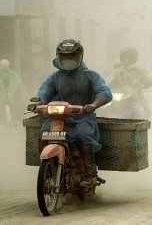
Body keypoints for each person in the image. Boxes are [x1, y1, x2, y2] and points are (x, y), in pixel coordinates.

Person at [32, 39, 112, 188]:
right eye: (64, 57)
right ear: (58, 57)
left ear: (80, 57)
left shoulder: (90, 75)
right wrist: (38, 102)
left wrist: (92, 105)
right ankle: (48, 168)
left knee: (83, 135)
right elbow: (44, 93)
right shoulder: (55, 77)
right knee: (44, 131)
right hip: (59, 117)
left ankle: (90, 175)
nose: (68, 61)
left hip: (83, 117)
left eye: (72, 57)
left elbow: (104, 92)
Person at [106, 46, 152, 119]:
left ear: (134, 58)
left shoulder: (139, 70)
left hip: (136, 98)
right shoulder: (117, 71)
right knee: (105, 108)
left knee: (140, 112)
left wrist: (147, 82)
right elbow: (107, 81)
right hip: (121, 98)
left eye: (129, 57)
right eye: (124, 56)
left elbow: (150, 80)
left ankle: (139, 127)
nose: (126, 59)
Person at [0, 59, 26, 125]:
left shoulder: (13, 75)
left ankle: (5, 121)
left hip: (2, 97)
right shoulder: (14, 74)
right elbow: (20, 85)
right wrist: (23, 96)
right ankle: (13, 120)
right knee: (13, 108)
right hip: (12, 97)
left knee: (3, 109)